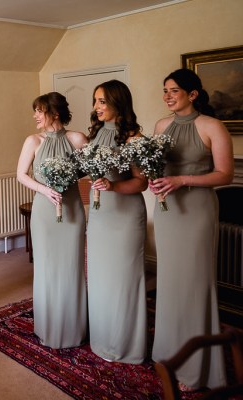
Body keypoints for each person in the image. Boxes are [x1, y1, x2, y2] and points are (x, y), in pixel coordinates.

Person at [150, 68, 233, 390]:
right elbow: (158, 166)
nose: (167, 96)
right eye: (164, 90)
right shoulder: (160, 126)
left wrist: (182, 179)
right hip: (168, 209)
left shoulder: (212, 126)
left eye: (173, 91)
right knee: (170, 279)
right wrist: (154, 178)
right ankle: (169, 352)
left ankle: (198, 367)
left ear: (193, 94)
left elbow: (225, 174)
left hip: (197, 209)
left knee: (195, 281)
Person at [16, 92, 88, 349]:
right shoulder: (33, 140)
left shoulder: (77, 138)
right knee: (46, 269)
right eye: (35, 110)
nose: (35, 115)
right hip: (45, 212)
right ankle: (48, 326)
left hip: (72, 211)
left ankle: (74, 327)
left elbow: (91, 169)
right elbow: (21, 175)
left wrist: (70, 178)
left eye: (40, 111)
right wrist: (44, 189)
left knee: (72, 267)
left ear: (55, 113)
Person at [86, 80, 148, 363]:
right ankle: (101, 338)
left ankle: (125, 345)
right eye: (95, 101)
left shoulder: (133, 138)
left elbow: (141, 183)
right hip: (100, 216)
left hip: (125, 216)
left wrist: (112, 187)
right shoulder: (96, 135)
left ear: (117, 102)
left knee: (123, 278)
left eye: (102, 101)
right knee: (100, 277)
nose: (96, 107)